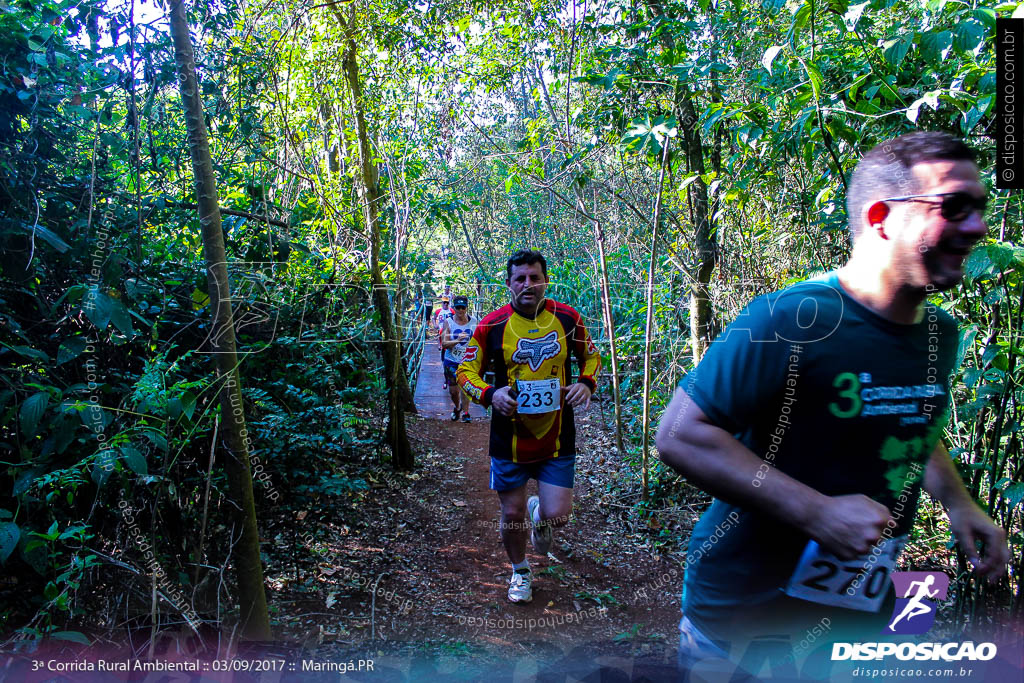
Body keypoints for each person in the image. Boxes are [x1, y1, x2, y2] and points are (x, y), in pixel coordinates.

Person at [655, 132, 1010, 680]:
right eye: (954, 206)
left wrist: (960, 504)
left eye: (980, 208)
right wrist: (815, 511)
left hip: (857, 619)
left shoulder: (939, 332)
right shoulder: (788, 319)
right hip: (743, 616)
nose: (977, 227)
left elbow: (911, 417)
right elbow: (679, 432)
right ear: (880, 217)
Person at [458, 250, 601, 603]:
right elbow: (465, 372)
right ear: (508, 284)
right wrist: (491, 395)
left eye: (534, 277)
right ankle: (520, 570)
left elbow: (592, 356)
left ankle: (542, 515)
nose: (528, 285)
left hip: (557, 432)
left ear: (545, 281)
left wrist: (585, 383)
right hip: (510, 436)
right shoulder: (491, 325)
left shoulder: (568, 319)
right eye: (520, 278)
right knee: (511, 511)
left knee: (558, 515)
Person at [441, 295, 478, 422]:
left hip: (467, 361)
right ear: (454, 308)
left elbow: (480, 340)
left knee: (465, 388)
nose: (461, 310)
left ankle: (466, 413)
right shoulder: (448, 322)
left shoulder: (474, 321)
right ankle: (457, 407)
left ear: (467, 308)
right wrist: (457, 340)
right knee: (453, 391)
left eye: (463, 307)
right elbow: (444, 344)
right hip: (451, 361)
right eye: (458, 308)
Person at [431, 297, 452, 387]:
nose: (446, 304)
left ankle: (451, 380)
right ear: (442, 303)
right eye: (444, 303)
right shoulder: (438, 311)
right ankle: (446, 380)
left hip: (450, 333)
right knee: (445, 361)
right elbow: (433, 318)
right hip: (441, 330)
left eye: (447, 303)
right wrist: (435, 324)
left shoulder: (452, 311)